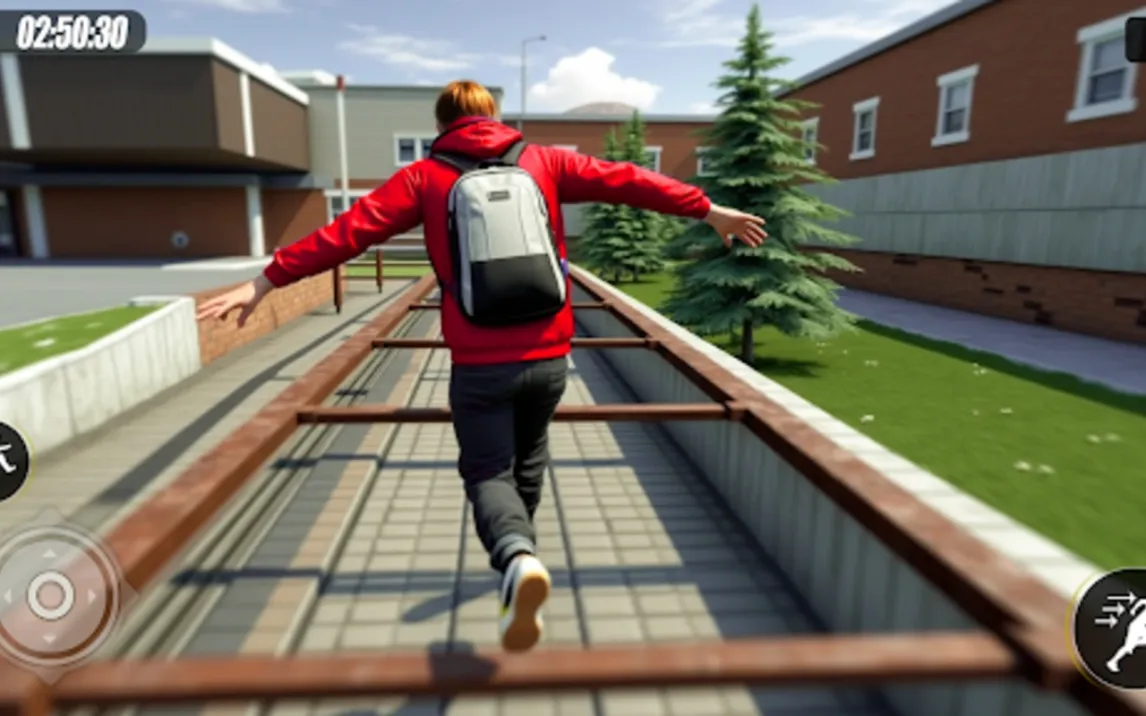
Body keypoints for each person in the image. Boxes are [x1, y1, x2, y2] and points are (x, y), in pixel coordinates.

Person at [196, 80, 767, 653]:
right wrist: (709, 211)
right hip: (549, 353)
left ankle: (516, 559)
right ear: (492, 115)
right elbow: (629, 181)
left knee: (488, 472)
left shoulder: (423, 178)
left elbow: (345, 234)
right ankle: (521, 560)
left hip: (478, 359)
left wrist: (266, 280)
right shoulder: (544, 161)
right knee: (529, 459)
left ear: (442, 124)